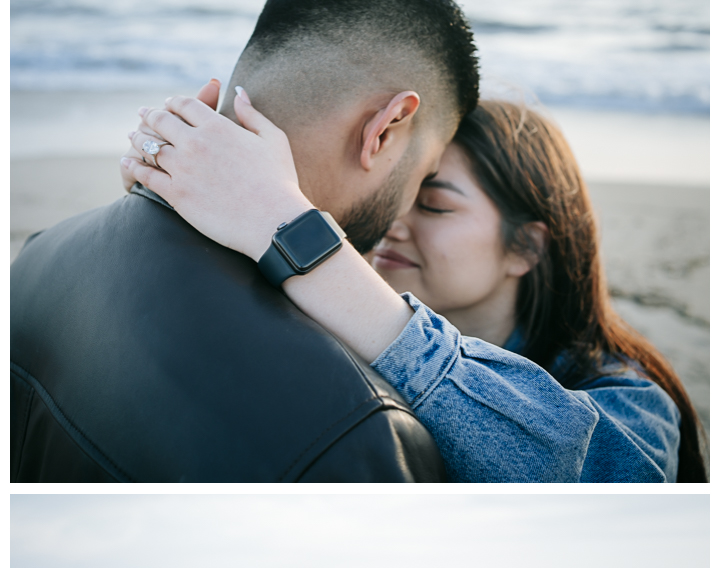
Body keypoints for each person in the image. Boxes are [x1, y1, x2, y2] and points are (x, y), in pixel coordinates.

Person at [11, 0, 480, 482]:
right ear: (386, 129)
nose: (404, 217)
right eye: (425, 176)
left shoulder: (35, 256)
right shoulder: (361, 429)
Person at [120, 93, 707, 482]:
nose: (397, 222)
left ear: (526, 247)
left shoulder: (631, 405)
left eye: (433, 204)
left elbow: (570, 472)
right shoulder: (332, 334)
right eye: (401, 195)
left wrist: (286, 225)